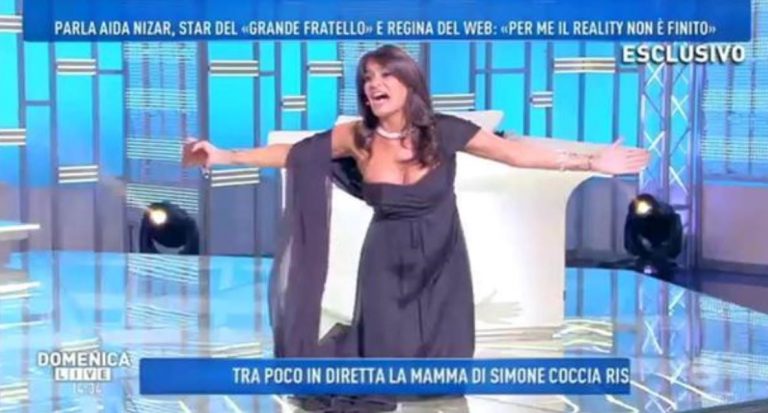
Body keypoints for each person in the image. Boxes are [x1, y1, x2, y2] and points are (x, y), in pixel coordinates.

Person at [184, 44, 650, 411]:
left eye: (384, 75)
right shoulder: (359, 137)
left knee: (439, 371)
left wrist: (593, 160)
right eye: (367, 79)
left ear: (409, 82)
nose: (374, 85)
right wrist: (224, 155)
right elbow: (295, 154)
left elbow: (516, 154)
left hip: (442, 255)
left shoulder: (445, 130)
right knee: (380, 362)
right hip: (385, 257)